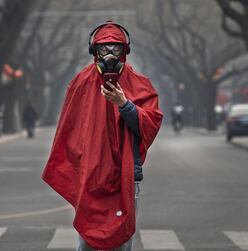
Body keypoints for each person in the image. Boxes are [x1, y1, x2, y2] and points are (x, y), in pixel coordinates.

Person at [41, 21, 163, 250]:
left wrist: (124, 104)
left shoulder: (139, 84)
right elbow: (69, 132)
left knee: (122, 239)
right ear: (94, 51)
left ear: (124, 51)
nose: (109, 54)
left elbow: (151, 123)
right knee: (87, 240)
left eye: (115, 48)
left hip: (125, 177)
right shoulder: (81, 83)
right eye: (104, 48)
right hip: (90, 176)